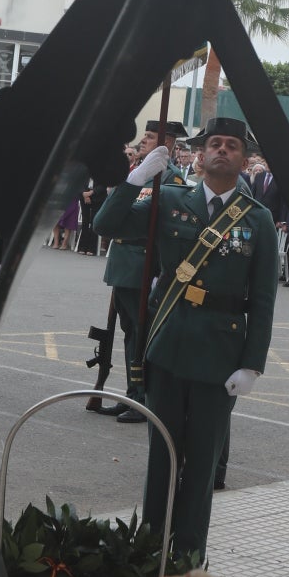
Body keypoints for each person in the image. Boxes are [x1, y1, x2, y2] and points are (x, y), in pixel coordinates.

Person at [93, 116, 277, 564]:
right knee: (163, 456)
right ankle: (149, 550)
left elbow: (265, 299)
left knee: (201, 465)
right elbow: (105, 225)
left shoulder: (259, 220)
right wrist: (135, 177)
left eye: (232, 146)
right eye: (214, 143)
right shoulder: (169, 199)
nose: (222, 151)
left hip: (220, 356)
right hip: (168, 346)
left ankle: (189, 555)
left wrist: (252, 364)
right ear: (199, 153)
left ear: (245, 159)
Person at [100, 128, 187, 422]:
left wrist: (160, 270)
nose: (143, 141)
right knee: (130, 334)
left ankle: (146, 398)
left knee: (143, 336)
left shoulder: (169, 176)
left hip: (143, 264)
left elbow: (162, 226)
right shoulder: (139, 171)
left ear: (167, 143)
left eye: (150, 136)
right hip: (123, 263)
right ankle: (132, 393)